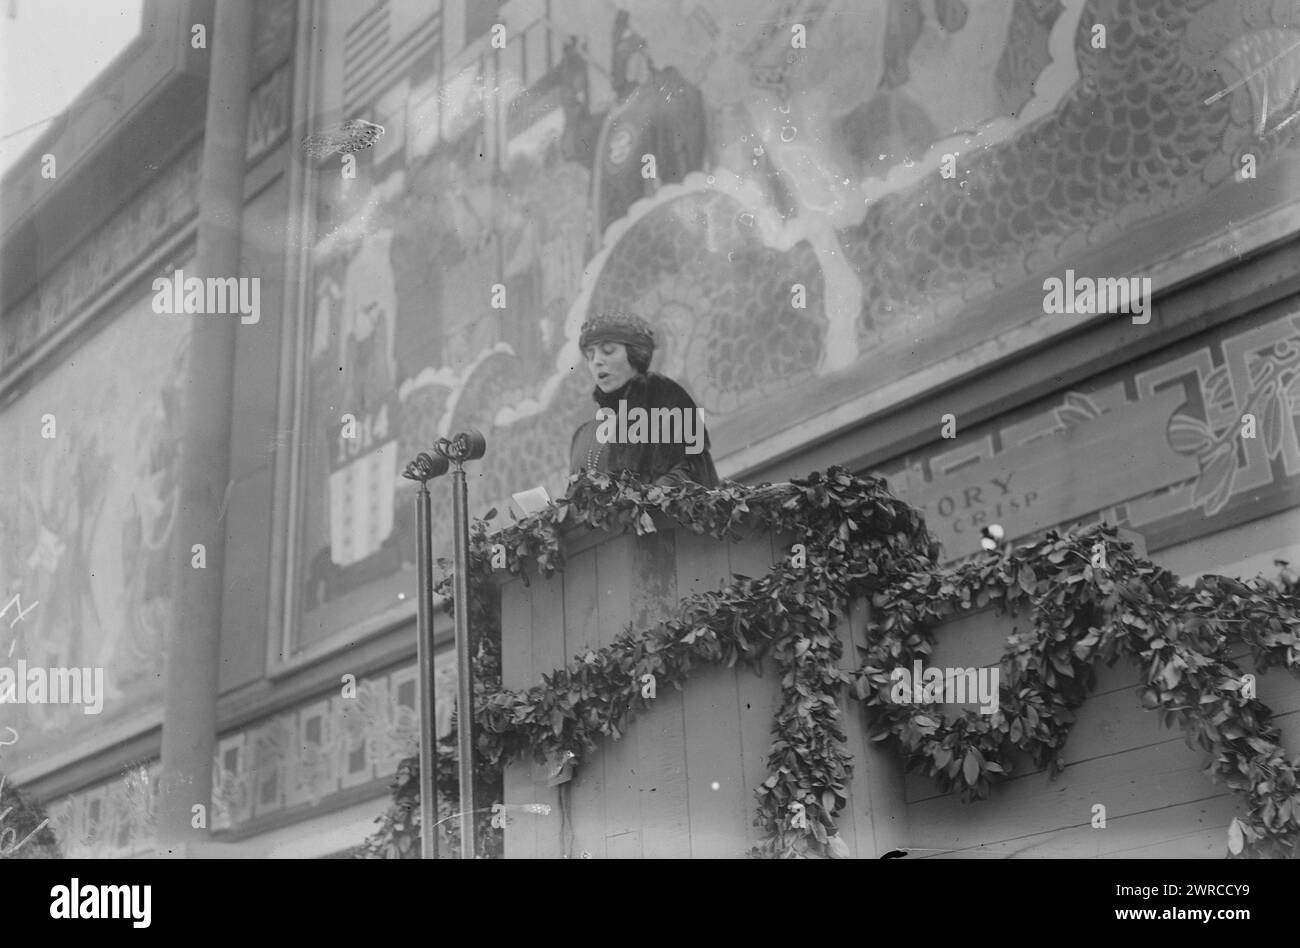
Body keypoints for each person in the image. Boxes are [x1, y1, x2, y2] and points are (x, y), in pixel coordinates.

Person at [569, 311, 719, 488]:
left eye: (608, 350)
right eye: (590, 355)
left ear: (635, 354)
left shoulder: (671, 404)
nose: (597, 361)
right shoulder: (584, 434)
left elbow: (691, 475)